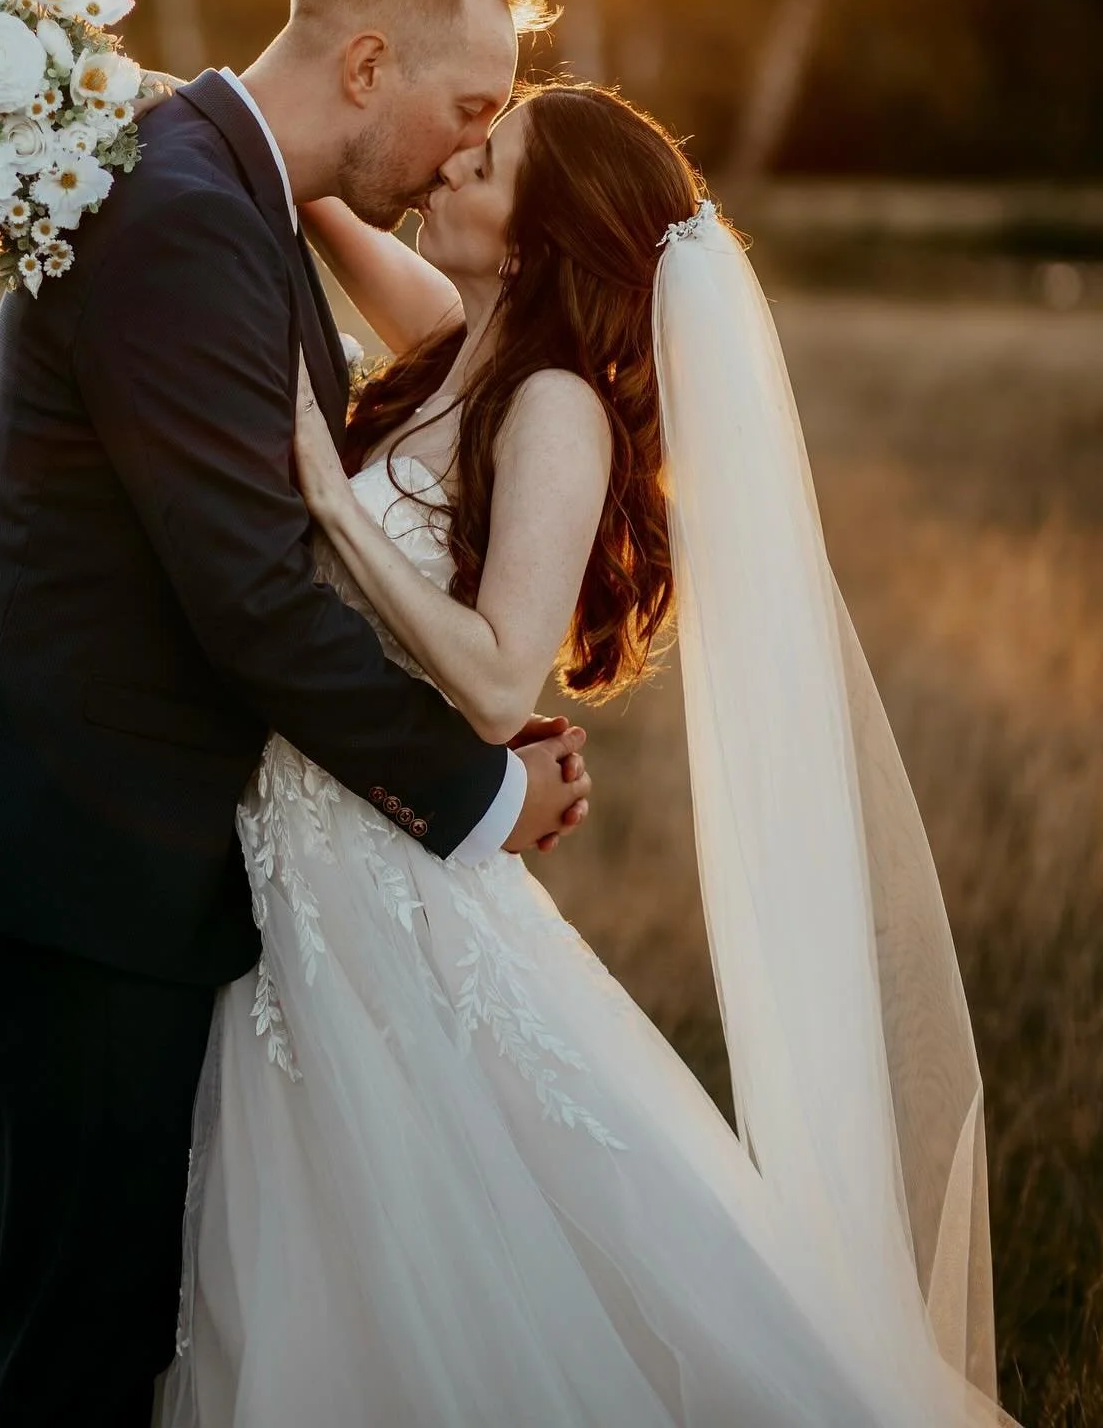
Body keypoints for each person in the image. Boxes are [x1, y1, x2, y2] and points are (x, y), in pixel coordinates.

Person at [156, 82, 1016, 1426]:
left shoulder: (557, 406)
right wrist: (175, 99)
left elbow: (502, 682)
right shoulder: (462, 349)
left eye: (481, 162)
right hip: (306, 863)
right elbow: (315, 188)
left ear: (534, 232)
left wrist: (334, 503)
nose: (445, 167)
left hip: (383, 879)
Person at [0, 0, 596, 1428]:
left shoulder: (220, 181)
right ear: (369, 60)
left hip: (122, 844)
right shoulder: (192, 202)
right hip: (74, 853)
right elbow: (253, 599)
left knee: (141, 1313)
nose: (471, 150)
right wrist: (475, 795)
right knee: (83, 1340)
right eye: (467, 108)